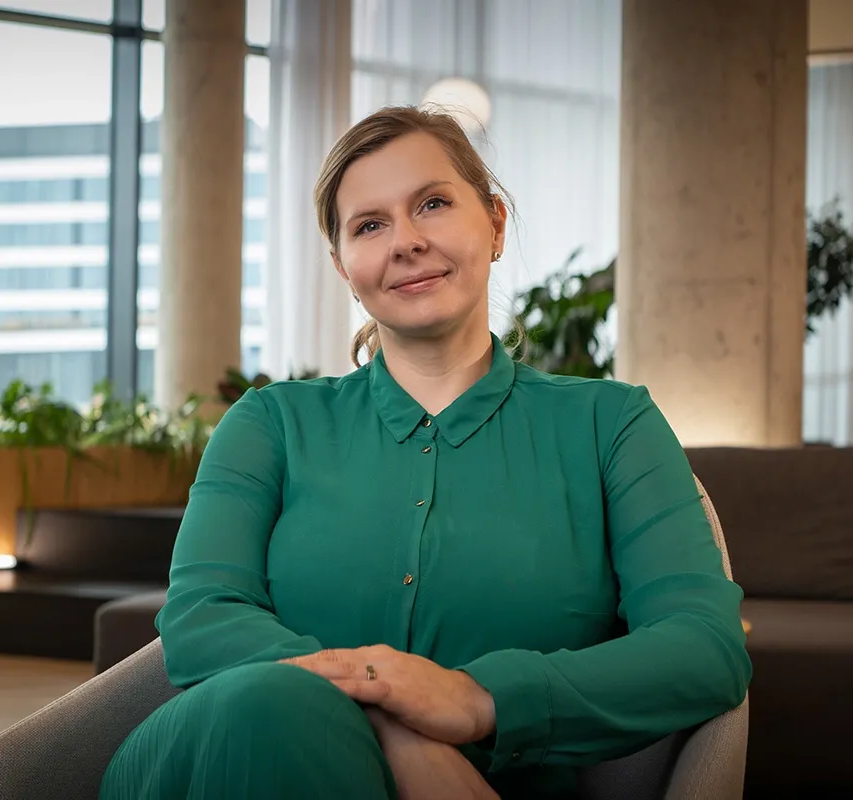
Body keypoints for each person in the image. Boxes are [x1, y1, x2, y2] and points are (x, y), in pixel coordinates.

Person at [99, 106, 751, 800]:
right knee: (269, 706)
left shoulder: (612, 424)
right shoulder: (270, 423)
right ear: (343, 265)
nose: (405, 242)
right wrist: (396, 719)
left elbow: (703, 645)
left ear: (495, 225)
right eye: (370, 225)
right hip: (217, 758)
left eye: (433, 204)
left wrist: (475, 700)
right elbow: (202, 616)